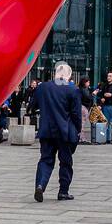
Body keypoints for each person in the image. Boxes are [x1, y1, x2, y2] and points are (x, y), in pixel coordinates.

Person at [33, 62, 82, 202]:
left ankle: (40, 185)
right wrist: (78, 130)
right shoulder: (72, 90)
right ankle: (63, 192)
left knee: (45, 160)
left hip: (46, 130)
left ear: (56, 73)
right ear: (69, 75)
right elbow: (76, 114)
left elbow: (33, 106)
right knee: (65, 162)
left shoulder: (43, 87)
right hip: (65, 132)